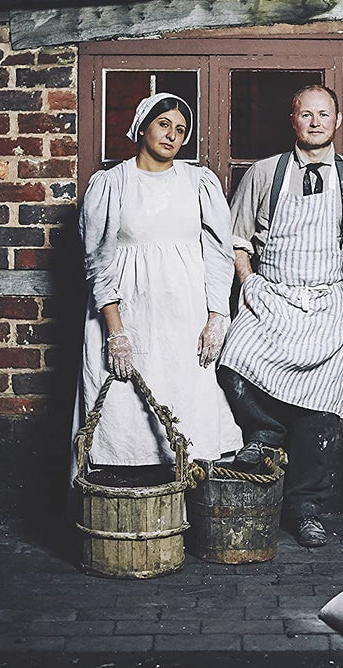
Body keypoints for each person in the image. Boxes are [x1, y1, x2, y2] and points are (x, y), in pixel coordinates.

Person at [217, 85, 343, 548]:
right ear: (293, 120)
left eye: (325, 114)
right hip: (272, 296)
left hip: (328, 305)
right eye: (307, 114)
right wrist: (250, 282)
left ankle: (306, 508)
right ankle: (265, 428)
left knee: (320, 413)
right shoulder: (264, 174)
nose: (316, 122)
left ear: (337, 121)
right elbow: (236, 239)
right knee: (233, 360)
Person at [75, 93, 241, 483]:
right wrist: (116, 332)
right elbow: (97, 261)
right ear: (143, 125)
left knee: (185, 409)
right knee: (122, 413)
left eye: (181, 130)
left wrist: (217, 317)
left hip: (184, 316)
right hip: (127, 313)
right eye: (164, 124)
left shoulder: (198, 182)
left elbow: (219, 254)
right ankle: (125, 500)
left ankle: (178, 510)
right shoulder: (111, 184)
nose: (172, 135)